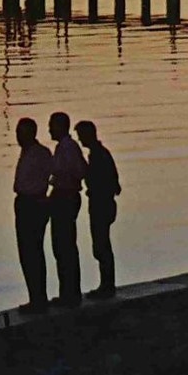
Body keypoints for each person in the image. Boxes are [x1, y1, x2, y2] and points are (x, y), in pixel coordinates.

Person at [76, 120, 121, 299]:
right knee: (102, 245)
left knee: (101, 245)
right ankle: (107, 284)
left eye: (81, 136)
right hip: (103, 204)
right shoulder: (100, 154)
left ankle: (107, 285)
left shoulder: (98, 156)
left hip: (101, 205)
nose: (80, 140)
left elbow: (107, 183)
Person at [12, 117, 54, 313]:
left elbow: (53, 174)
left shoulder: (40, 154)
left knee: (33, 251)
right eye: (18, 133)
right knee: (26, 253)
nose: (18, 137)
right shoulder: (27, 152)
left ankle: (39, 299)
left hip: (33, 203)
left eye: (22, 133)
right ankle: (35, 297)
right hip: (25, 202)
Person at [48, 111, 87, 307]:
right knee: (62, 247)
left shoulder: (68, 148)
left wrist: (64, 180)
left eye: (51, 125)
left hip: (66, 197)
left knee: (64, 247)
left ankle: (70, 294)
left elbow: (79, 170)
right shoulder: (65, 148)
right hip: (63, 196)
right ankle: (68, 292)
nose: (48, 129)